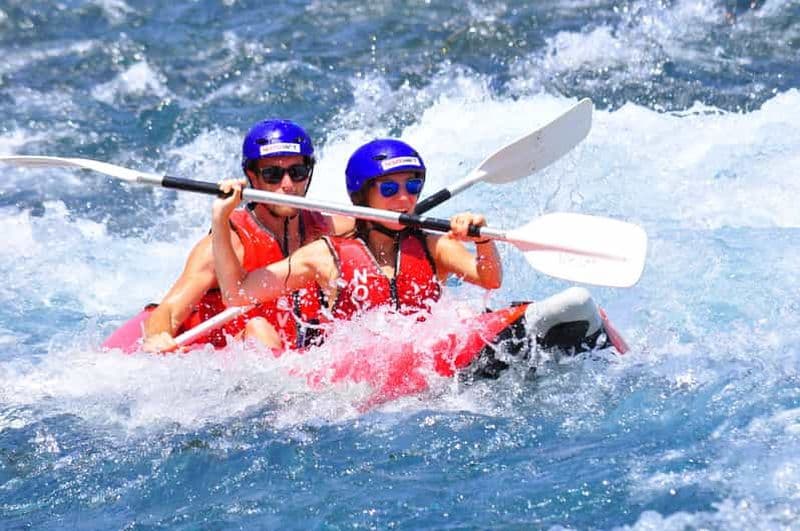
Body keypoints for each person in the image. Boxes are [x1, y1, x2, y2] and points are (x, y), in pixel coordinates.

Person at [210, 138, 502, 347]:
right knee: (258, 330)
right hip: (348, 385)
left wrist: (484, 241)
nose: (404, 198)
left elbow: (490, 280)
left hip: (422, 362)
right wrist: (220, 220)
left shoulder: (434, 246)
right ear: (362, 197)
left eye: (412, 186)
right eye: (389, 188)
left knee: (465, 315)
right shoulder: (325, 255)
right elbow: (237, 294)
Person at [142, 119, 341, 352]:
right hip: (235, 359)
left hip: (294, 358)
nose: (287, 185)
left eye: (297, 172)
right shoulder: (228, 242)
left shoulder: (325, 228)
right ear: (252, 177)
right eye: (272, 174)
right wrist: (158, 337)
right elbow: (168, 310)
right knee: (259, 329)